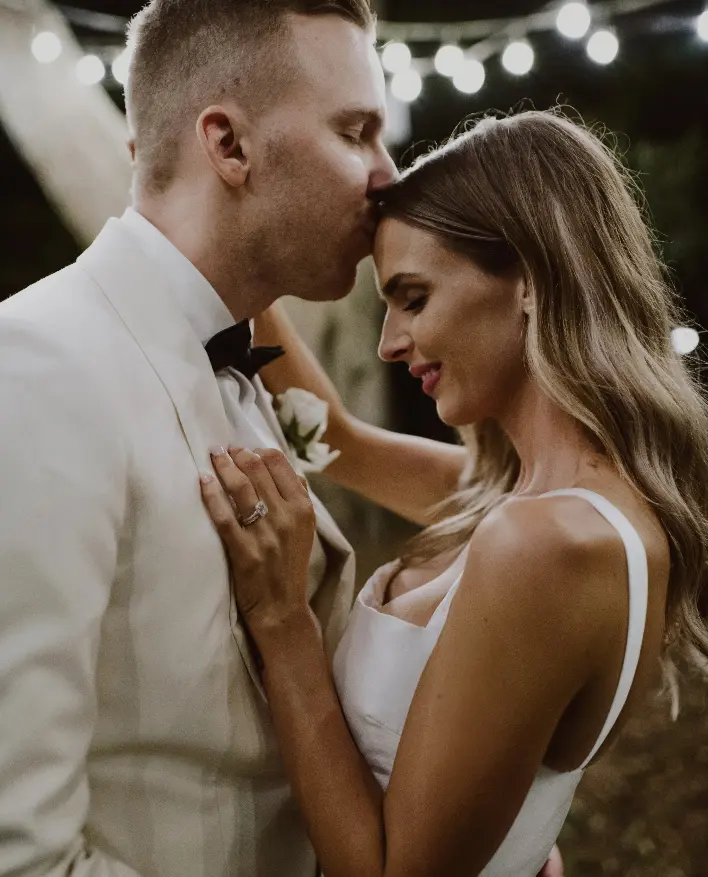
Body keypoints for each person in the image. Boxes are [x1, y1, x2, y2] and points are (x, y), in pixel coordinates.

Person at [199, 109, 708, 876]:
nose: (387, 342)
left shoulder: (544, 544)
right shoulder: (531, 498)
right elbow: (331, 438)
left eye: (413, 298)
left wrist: (283, 621)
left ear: (530, 283)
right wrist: (244, 252)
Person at [0, 1, 398, 876]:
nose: (387, 174)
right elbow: (20, 851)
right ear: (229, 146)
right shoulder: (35, 367)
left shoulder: (243, 368)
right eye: (358, 131)